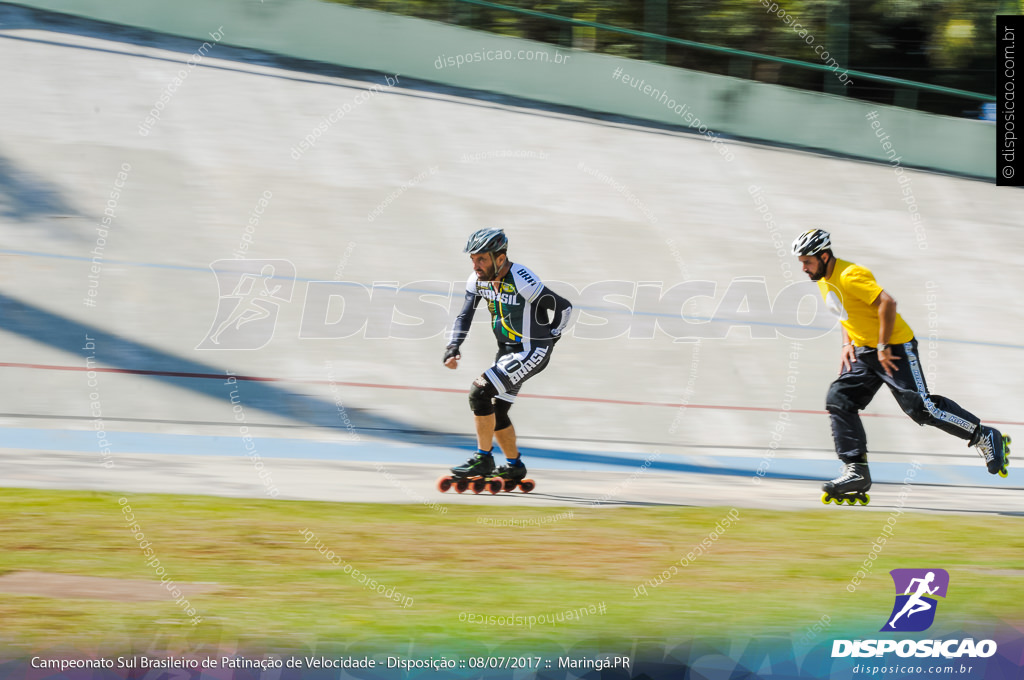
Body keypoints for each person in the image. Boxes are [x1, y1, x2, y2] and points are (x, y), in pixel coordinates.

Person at [791, 229, 1009, 504]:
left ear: (824, 256)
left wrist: (882, 346)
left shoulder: (850, 275)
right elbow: (846, 314)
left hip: (894, 348)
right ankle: (856, 470)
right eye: (801, 262)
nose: (803, 268)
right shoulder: (824, 279)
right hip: (864, 352)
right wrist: (847, 343)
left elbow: (887, 303)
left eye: (807, 261)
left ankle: (984, 436)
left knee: (920, 407)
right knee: (839, 399)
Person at [442, 228, 572, 487]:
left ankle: (484, 458)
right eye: (473, 259)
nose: (476, 265)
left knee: (479, 392)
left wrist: (552, 337)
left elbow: (563, 307)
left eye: (482, 259)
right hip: (507, 351)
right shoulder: (477, 280)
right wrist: (453, 345)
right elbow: (464, 315)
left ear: (500, 258)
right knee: (497, 410)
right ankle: (514, 466)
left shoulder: (521, 278)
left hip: (531, 350)